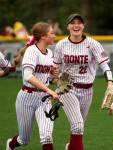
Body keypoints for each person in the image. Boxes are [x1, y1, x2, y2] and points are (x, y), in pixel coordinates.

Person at [53, 13, 113, 150]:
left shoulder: (93, 44)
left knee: (78, 128)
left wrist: (110, 83)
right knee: (77, 125)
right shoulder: (61, 45)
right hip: (67, 88)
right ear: (68, 26)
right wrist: (54, 79)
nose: (76, 25)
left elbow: (105, 65)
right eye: (73, 23)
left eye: (79, 23)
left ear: (83, 25)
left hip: (87, 90)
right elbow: (54, 69)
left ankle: (70, 147)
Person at [6, 22, 59, 150]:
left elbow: (48, 79)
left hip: (44, 99)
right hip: (26, 97)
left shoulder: (50, 53)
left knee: (47, 136)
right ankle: (11, 144)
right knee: (24, 139)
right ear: (43, 36)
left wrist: (52, 75)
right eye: (51, 33)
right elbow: (28, 76)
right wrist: (48, 90)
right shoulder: (31, 51)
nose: (54, 35)